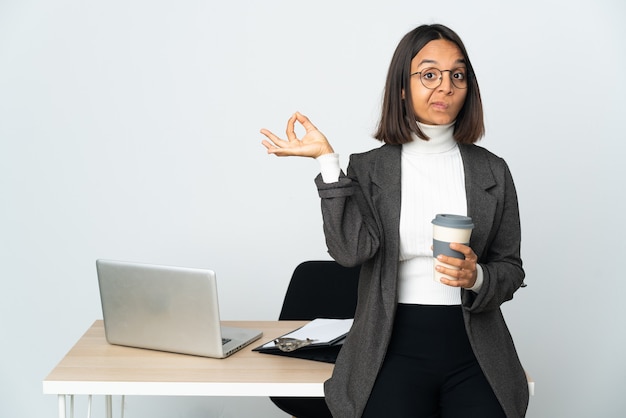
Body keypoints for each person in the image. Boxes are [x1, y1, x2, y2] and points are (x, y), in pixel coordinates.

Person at [260, 23, 529, 418]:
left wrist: (478, 277)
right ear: (403, 86)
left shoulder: (493, 171)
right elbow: (351, 253)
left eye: (457, 75)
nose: (446, 87)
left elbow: (510, 267)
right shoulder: (369, 168)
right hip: (389, 346)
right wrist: (328, 162)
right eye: (429, 74)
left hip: (474, 346)